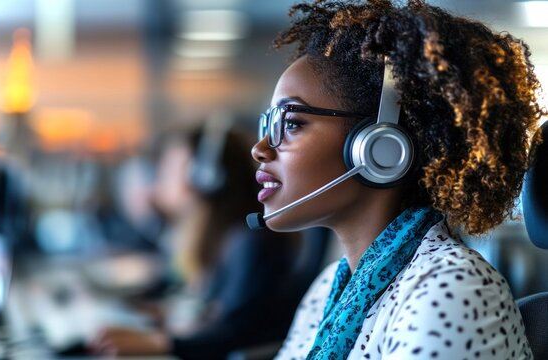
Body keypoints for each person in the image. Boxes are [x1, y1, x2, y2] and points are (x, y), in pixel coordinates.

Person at [250, 0, 543, 359]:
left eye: (291, 123)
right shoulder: (330, 287)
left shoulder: (447, 290)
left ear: (381, 148)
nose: (260, 149)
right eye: (268, 124)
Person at [89, 122, 312, 359]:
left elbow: (236, 331)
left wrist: (161, 343)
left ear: (205, 176)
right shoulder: (215, 238)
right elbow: (205, 310)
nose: (161, 181)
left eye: (172, 168)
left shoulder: (252, 240)